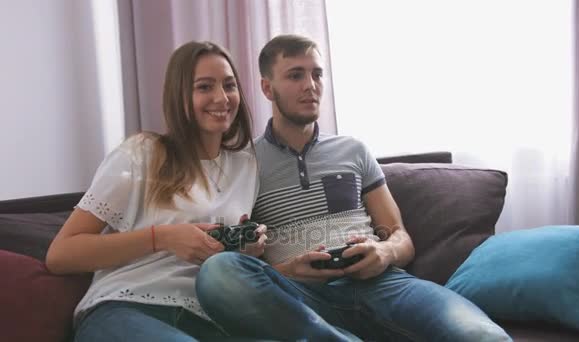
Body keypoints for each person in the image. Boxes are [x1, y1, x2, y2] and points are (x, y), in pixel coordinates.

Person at [196, 34, 512, 341]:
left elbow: (401, 238)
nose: (311, 86)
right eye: (295, 75)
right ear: (267, 88)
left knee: (483, 335)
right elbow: (241, 252)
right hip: (299, 297)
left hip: (382, 285)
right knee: (218, 271)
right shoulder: (242, 163)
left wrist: (384, 251)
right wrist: (285, 271)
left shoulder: (353, 150)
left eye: (317, 74)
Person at [46, 41, 268, 342]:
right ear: (180, 96)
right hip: (126, 309)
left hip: (209, 319)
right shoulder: (142, 153)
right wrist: (162, 237)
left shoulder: (247, 167)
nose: (221, 97)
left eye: (229, 85)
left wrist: (246, 248)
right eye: (204, 87)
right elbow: (61, 254)